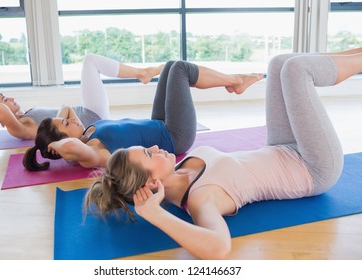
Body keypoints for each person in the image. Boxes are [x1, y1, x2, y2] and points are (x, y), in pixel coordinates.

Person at [83, 47, 362, 260]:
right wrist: (153, 213)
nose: (155, 147)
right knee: (296, 70)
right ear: (149, 183)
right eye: (148, 152)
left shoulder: (179, 167)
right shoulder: (202, 199)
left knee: (278, 64)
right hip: (313, 167)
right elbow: (218, 247)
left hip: (282, 146)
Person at [23, 59, 263, 171]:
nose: (72, 117)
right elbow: (71, 147)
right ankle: (237, 81)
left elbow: (66, 107)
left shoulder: (88, 130)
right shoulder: (92, 153)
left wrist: (60, 123)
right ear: (64, 142)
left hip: (158, 122)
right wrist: (53, 144)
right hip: (174, 136)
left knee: (170, 66)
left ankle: (236, 80)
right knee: (181, 69)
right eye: (66, 124)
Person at [0, 54, 163, 140]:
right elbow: (0, 111)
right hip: (92, 117)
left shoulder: (25, 117)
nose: (11, 99)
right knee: (91, 60)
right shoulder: (19, 128)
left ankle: (143, 73)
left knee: (91, 61)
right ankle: (143, 73)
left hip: (88, 113)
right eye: (4, 99)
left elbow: (1, 109)